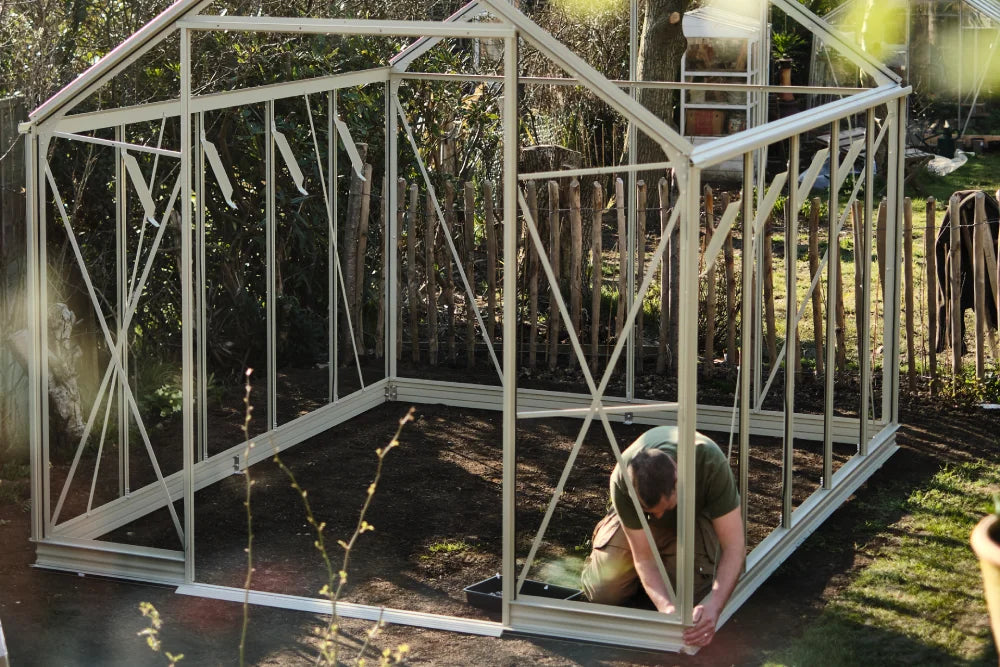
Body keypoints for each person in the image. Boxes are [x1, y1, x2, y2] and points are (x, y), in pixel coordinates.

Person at [580, 425, 744, 648]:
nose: (657, 515)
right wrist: (666, 608)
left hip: (692, 520)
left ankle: (651, 577)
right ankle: (632, 575)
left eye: (665, 507)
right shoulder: (622, 479)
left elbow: (734, 546)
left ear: (678, 481)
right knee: (603, 594)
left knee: (691, 605)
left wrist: (714, 606)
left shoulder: (710, 463)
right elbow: (644, 557)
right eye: (649, 510)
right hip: (638, 527)